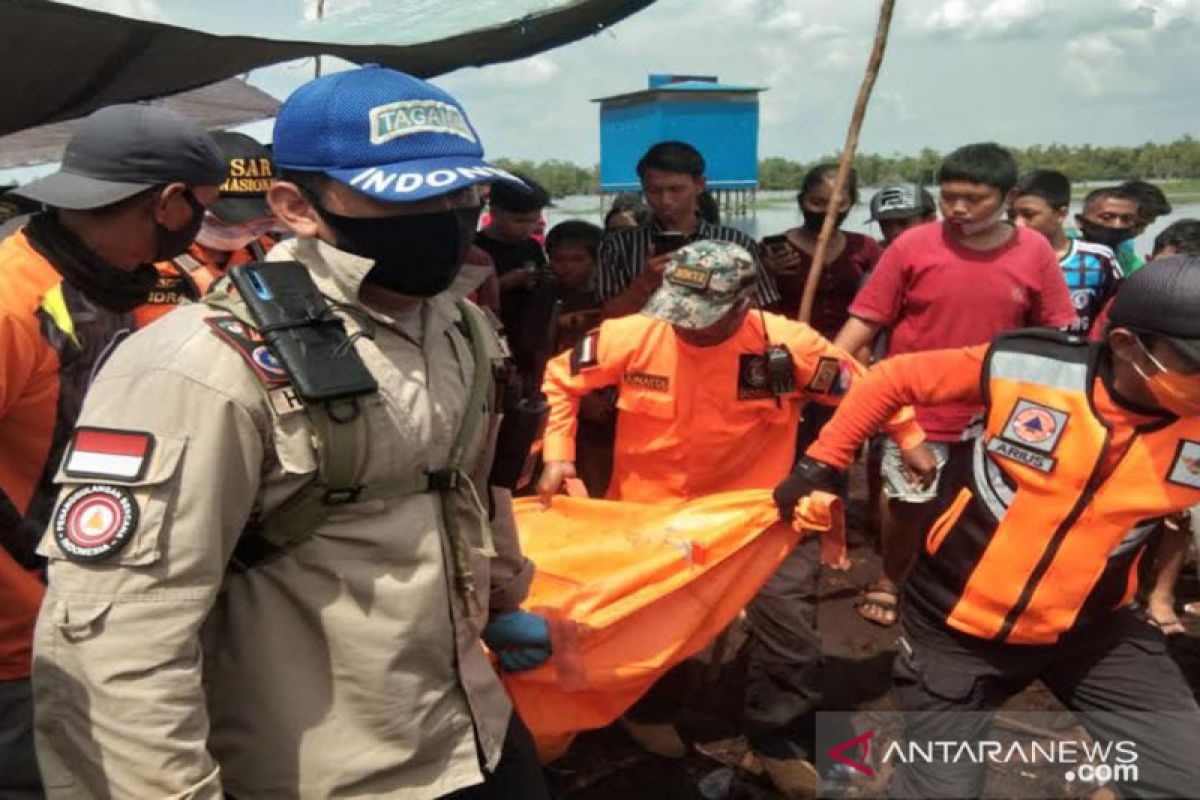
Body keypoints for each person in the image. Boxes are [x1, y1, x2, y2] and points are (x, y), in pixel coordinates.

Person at [31, 66, 551, 800]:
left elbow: (465, 487)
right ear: (295, 207)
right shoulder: (197, 368)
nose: (445, 216)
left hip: (473, 736)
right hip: (318, 774)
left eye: (461, 193)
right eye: (405, 197)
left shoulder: (460, 326)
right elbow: (118, 638)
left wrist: (503, 593)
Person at [775, 255, 1200, 800]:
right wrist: (820, 464)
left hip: (1095, 630)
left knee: (1181, 776)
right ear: (1125, 347)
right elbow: (892, 378)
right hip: (956, 626)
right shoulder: (1027, 367)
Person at [537, 240, 929, 798]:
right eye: (679, 314)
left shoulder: (786, 346)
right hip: (652, 518)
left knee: (791, 635)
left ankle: (778, 736)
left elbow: (868, 390)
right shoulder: (634, 335)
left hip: (757, 517)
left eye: (703, 319)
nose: (687, 329)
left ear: (745, 304)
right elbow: (560, 379)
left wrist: (909, 436)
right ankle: (648, 711)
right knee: (651, 627)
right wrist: (558, 452)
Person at [0, 104, 223, 799]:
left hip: (117, 619)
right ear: (168, 202)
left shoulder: (133, 286)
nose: (202, 231)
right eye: (203, 210)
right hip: (20, 642)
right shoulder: (12, 302)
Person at [832, 143, 1077, 627]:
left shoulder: (1035, 253)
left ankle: (971, 586)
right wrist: (828, 374)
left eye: (973, 198)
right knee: (908, 501)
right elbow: (865, 321)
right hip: (916, 406)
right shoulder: (911, 246)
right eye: (948, 197)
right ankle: (891, 578)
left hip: (1001, 410)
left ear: (1008, 197)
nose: (958, 208)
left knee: (992, 507)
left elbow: (1055, 333)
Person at [595, 141, 779, 318]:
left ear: (699, 185)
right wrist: (644, 284)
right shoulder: (619, 246)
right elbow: (607, 317)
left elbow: (764, 309)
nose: (665, 200)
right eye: (654, 191)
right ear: (643, 188)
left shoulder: (736, 243)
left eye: (675, 190)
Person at [135, 131, 282, 326]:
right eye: (227, 218)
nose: (244, 227)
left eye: (257, 221)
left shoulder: (271, 254)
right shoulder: (141, 260)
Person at [1136, 221, 1200, 635]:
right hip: (1138, 413)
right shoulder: (1131, 299)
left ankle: (1161, 594)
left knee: (1180, 511)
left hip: (1189, 419)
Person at [539, 219, 614, 496]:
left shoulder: (611, 298)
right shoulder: (544, 297)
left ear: (596, 260)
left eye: (577, 259)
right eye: (558, 259)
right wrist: (582, 401)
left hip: (609, 401)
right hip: (565, 401)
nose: (566, 266)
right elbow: (539, 355)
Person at [1010, 169, 1122, 336]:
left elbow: (1116, 313)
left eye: (1028, 215)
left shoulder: (1097, 259)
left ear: (1061, 214)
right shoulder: (1003, 259)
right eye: (1011, 215)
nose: (1018, 224)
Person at [474, 172, 551, 345]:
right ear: (494, 212)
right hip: (490, 336)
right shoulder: (475, 250)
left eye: (533, 221)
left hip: (528, 333)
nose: (527, 228)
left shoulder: (532, 246)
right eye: (520, 221)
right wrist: (501, 284)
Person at [1075, 185, 1141, 275]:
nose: (1117, 225)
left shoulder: (1131, 262)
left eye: (1126, 219)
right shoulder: (1063, 259)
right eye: (1107, 217)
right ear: (1080, 222)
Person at [1119, 179, 1173, 273]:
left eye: (1145, 226)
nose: (1141, 232)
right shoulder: (1099, 250)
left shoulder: (1126, 244)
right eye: (1139, 225)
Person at [866, 182, 938, 248]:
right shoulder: (874, 255)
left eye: (903, 223)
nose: (894, 231)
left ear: (930, 221)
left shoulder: (945, 254)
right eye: (886, 224)